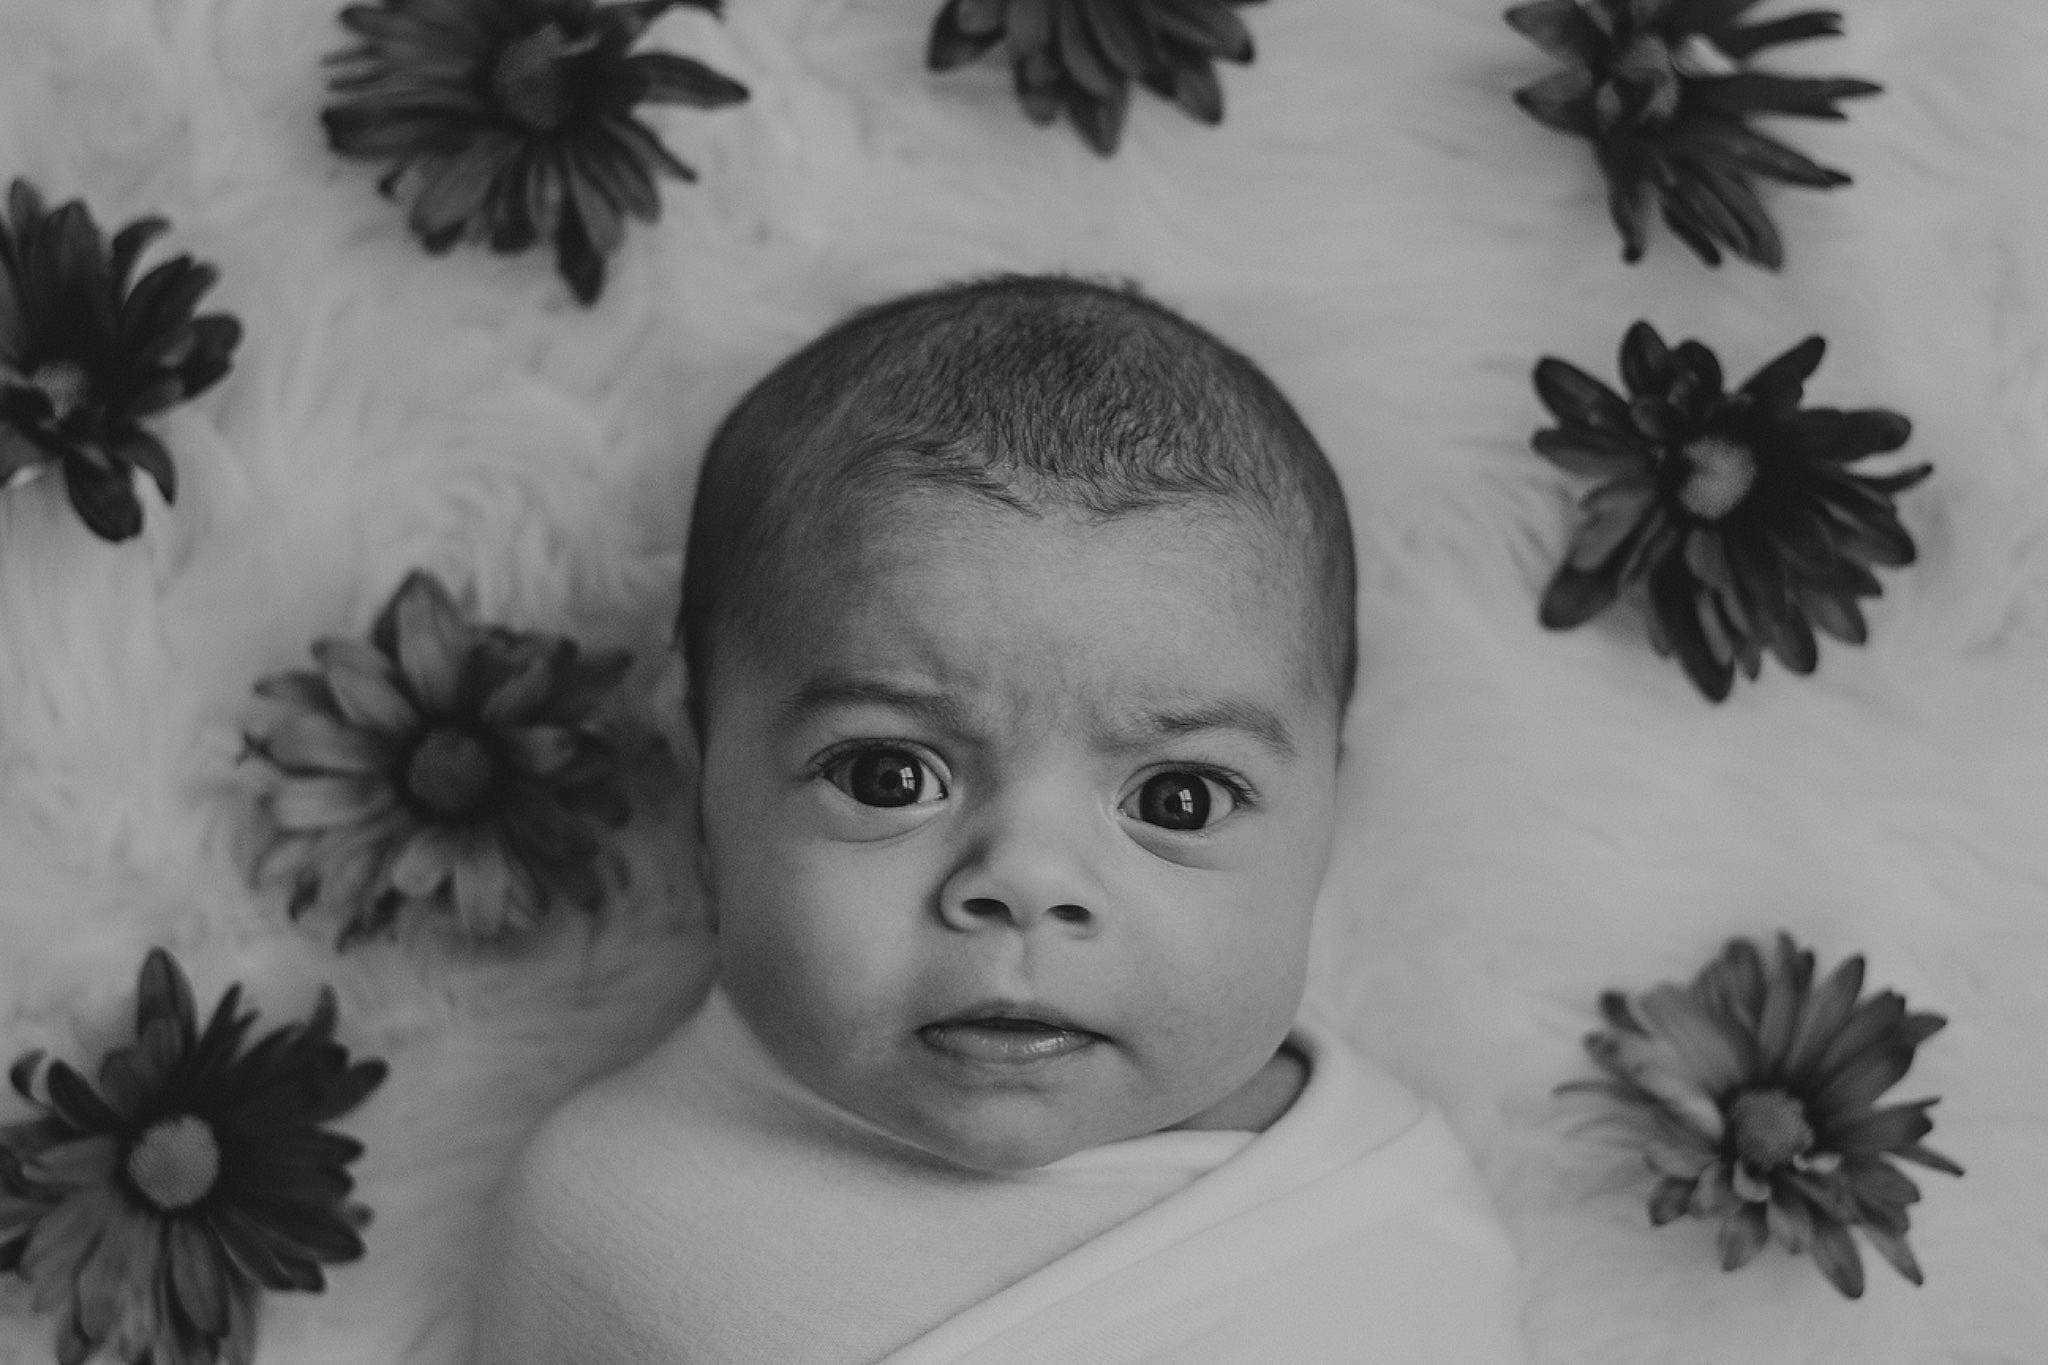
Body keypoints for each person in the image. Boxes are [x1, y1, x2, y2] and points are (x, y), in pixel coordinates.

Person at [473, 274, 1527, 1363]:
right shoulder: (615, 1218)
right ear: (697, 768)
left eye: (1178, 799)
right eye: (887, 776)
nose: (1025, 881)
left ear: (1325, 821)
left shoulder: (1388, 1223)